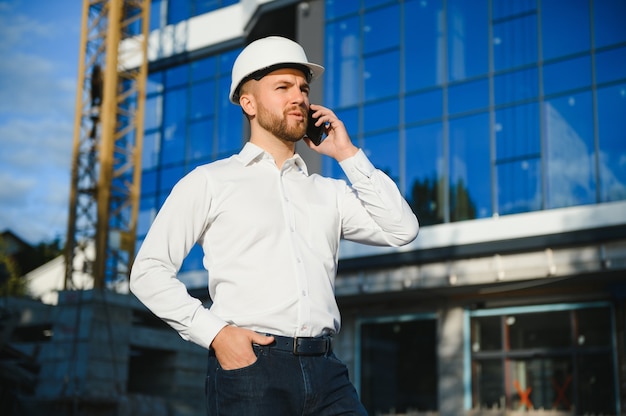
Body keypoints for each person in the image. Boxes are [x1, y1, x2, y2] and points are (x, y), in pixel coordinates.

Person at [130, 36, 419, 415]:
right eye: (282, 87)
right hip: (250, 368)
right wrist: (217, 335)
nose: (298, 97)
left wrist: (347, 154)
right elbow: (148, 272)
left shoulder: (328, 192)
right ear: (248, 103)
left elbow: (402, 229)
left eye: (302, 87)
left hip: (327, 370)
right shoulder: (210, 181)